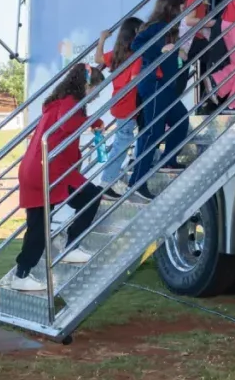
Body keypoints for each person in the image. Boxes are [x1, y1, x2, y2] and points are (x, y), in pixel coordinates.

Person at [13, 63, 105, 292]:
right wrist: (93, 122)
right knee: (87, 198)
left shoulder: (59, 102)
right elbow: (68, 122)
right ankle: (65, 249)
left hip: (45, 168)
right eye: (96, 88)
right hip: (48, 171)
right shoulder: (69, 104)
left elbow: (68, 123)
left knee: (42, 223)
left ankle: (25, 270)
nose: (98, 94)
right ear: (85, 85)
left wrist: (92, 121)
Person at [129, 0, 190, 201]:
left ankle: (168, 160)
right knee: (153, 132)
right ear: (172, 7)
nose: (184, 9)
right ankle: (137, 181)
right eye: (181, 5)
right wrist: (159, 52)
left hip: (164, 86)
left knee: (181, 120)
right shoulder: (158, 27)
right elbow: (136, 44)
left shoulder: (168, 28)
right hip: (155, 84)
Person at [94, 18, 144, 199]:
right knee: (122, 143)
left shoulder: (117, 54)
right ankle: (107, 182)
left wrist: (102, 39)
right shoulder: (136, 56)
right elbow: (135, 81)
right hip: (128, 104)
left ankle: (115, 176)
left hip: (119, 102)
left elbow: (98, 58)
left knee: (123, 141)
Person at [182, 0, 218, 105]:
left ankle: (209, 96)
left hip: (196, 39)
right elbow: (189, 20)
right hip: (192, 40)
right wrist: (209, 23)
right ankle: (210, 94)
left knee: (210, 60)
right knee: (216, 56)